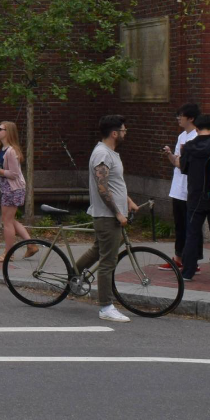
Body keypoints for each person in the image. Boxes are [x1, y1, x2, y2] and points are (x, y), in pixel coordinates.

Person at [80, 114, 138, 323]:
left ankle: (73, 276)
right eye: (123, 130)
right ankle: (105, 306)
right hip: (107, 217)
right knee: (108, 262)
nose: (125, 133)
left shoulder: (110, 153)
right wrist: (118, 213)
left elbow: (115, 183)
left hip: (111, 215)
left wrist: (128, 201)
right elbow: (103, 188)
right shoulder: (102, 155)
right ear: (114, 133)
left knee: (98, 250)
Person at [179, 113, 210, 283]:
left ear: (197, 128)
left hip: (195, 196)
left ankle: (187, 272)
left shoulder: (189, 147)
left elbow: (183, 169)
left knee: (192, 234)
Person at [0, 120, 36, 257]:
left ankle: (8, 254)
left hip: (13, 189)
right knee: (10, 219)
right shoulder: (2, 150)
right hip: (8, 189)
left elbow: (14, 174)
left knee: (7, 221)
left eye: (0, 129)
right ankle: (31, 245)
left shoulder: (11, 151)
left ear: (8, 132)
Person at [160, 103, 199, 269]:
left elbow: (183, 164)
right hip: (177, 188)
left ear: (190, 118)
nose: (178, 119)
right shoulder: (182, 136)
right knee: (179, 225)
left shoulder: (196, 137)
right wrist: (170, 154)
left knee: (189, 226)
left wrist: (178, 161)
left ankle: (192, 261)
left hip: (189, 189)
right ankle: (178, 258)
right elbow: (177, 161)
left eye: (181, 116)